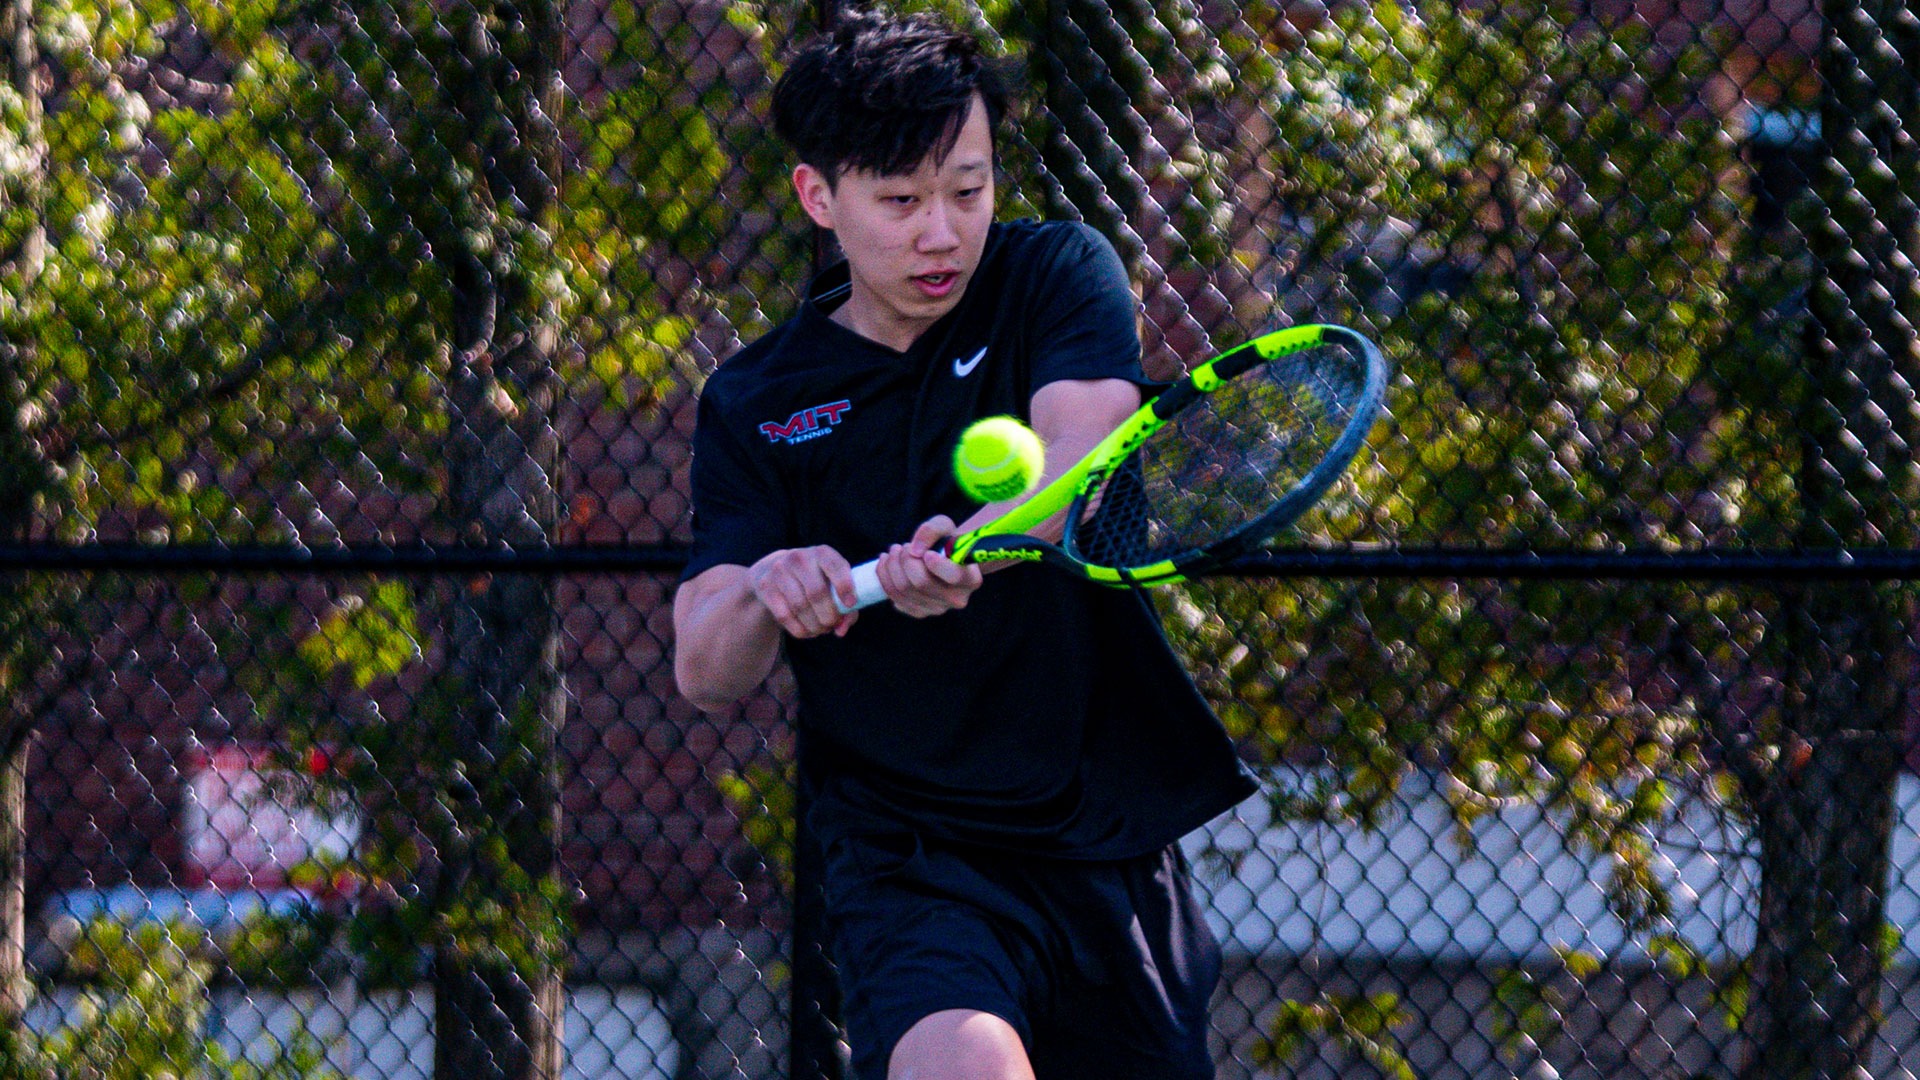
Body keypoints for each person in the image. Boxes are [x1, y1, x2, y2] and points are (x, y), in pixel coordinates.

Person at [672, 8, 1256, 1079]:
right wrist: (768, 585)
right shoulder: (757, 401)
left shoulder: (1056, 276)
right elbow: (706, 662)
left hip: (1105, 836)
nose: (940, 231)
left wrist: (987, 538)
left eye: (968, 189)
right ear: (819, 198)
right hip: (911, 855)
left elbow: (1075, 461)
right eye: (900, 201)